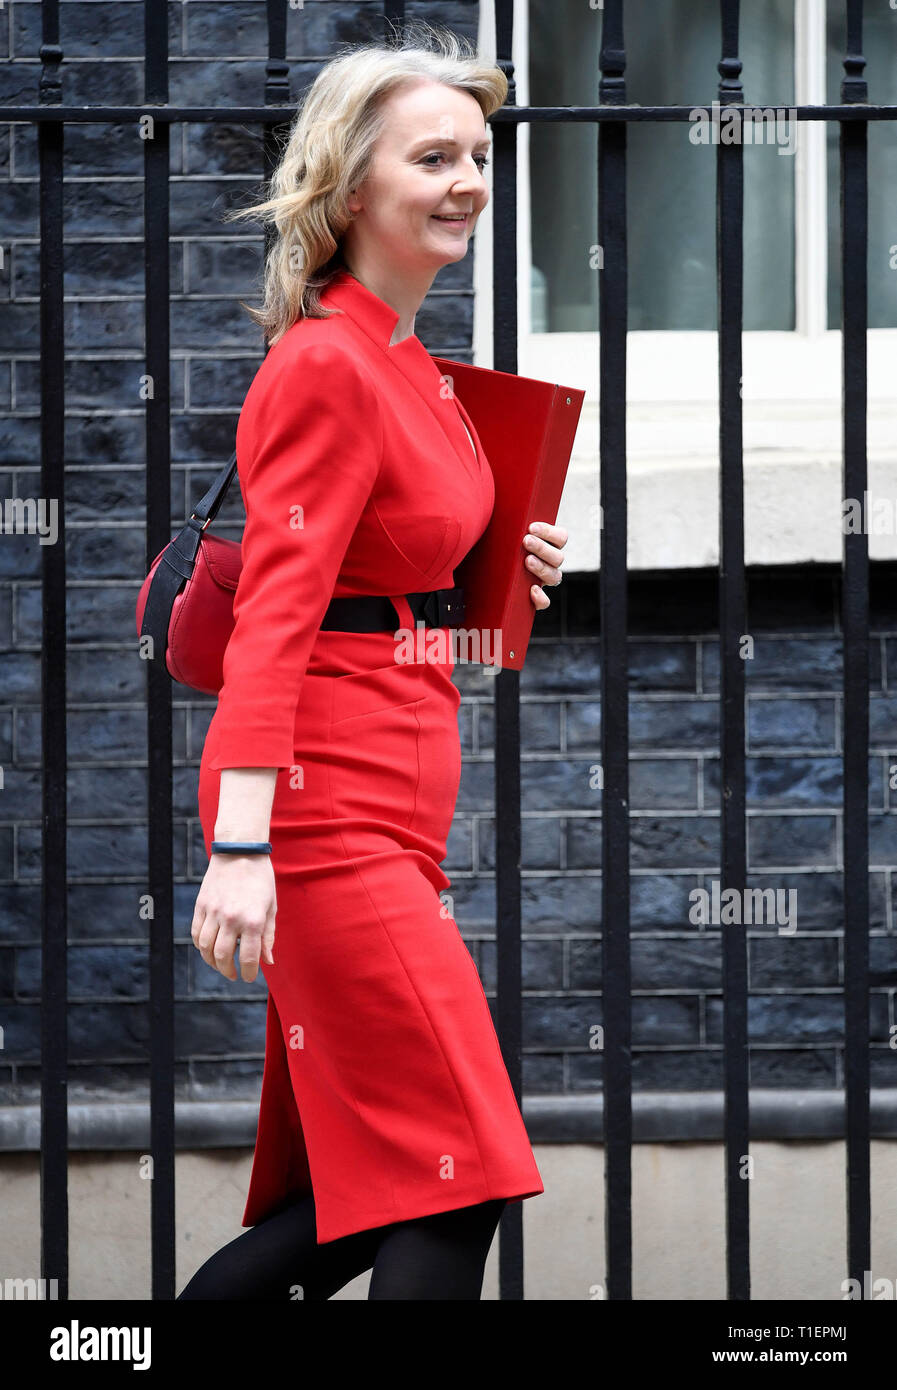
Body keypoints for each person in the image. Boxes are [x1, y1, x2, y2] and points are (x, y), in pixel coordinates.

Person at [177, 20, 567, 1302]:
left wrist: (512, 586)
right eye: (432, 157)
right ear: (351, 191)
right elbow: (277, 624)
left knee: (362, 1194)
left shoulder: (418, 368)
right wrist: (238, 851)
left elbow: (404, 616)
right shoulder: (329, 367)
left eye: (477, 154)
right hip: (320, 818)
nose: (467, 179)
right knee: (462, 1172)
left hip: (399, 807)